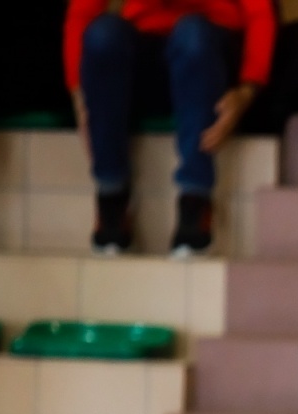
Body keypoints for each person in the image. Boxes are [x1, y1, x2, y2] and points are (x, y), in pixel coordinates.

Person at [64, 0, 276, 256]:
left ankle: (195, 202)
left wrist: (246, 91)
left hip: (208, 50)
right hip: (145, 51)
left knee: (192, 33)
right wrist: (78, 91)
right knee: (103, 35)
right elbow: (81, 12)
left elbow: (260, 14)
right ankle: (111, 196)